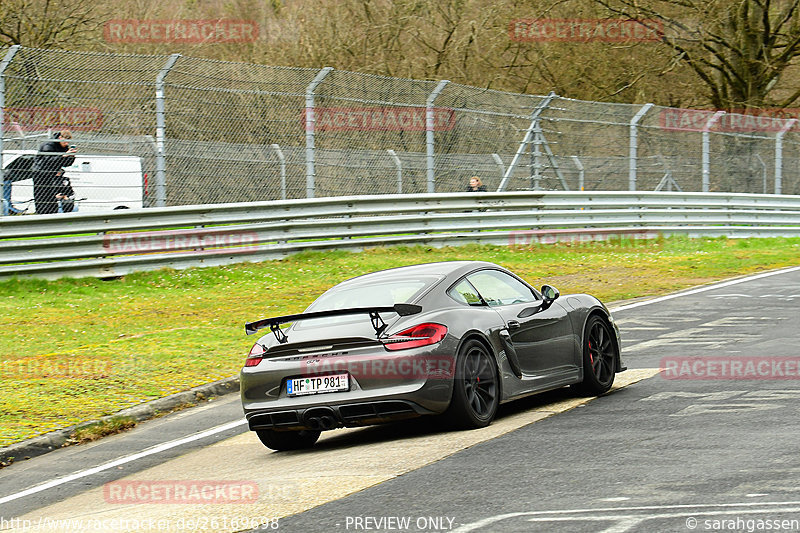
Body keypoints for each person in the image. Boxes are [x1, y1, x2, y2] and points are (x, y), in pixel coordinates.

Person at [32, 130, 77, 214]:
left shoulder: (64, 147)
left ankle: (52, 213)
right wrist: (63, 155)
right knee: (42, 195)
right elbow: (48, 160)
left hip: (52, 174)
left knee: (52, 195)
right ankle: (41, 213)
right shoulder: (48, 145)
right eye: (65, 141)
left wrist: (71, 157)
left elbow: (66, 164)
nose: (66, 144)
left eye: (68, 142)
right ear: (60, 138)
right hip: (40, 173)